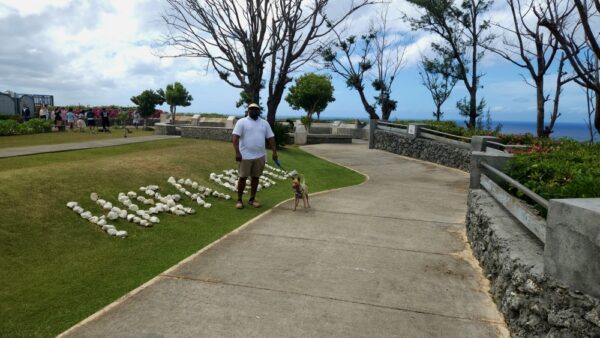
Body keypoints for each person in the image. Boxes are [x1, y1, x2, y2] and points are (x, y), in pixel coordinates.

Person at [232, 103, 278, 209]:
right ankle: (239, 200)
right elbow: (235, 138)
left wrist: (274, 152)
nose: (253, 110)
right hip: (245, 156)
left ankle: (252, 199)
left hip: (260, 156)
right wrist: (237, 152)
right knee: (242, 178)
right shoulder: (242, 122)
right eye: (251, 109)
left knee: (255, 178)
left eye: (256, 109)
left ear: (259, 111)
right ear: (248, 110)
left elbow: (271, 138)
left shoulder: (264, 123)